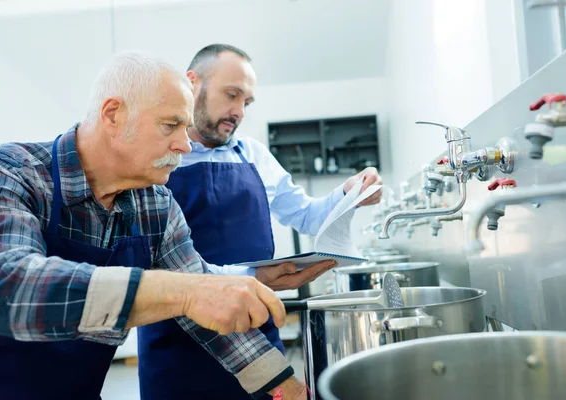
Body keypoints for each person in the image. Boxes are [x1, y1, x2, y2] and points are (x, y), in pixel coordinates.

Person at [0, 51, 310, 400]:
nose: (186, 143)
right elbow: (12, 286)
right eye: (170, 125)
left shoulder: (155, 204)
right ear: (113, 115)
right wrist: (185, 292)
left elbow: (210, 314)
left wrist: (289, 391)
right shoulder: (12, 173)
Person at [137, 44, 383, 400]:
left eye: (246, 102)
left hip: (255, 329)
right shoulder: (156, 158)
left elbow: (306, 215)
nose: (238, 112)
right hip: (176, 343)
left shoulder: (254, 155)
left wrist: (348, 195)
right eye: (231, 95)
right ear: (193, 84)